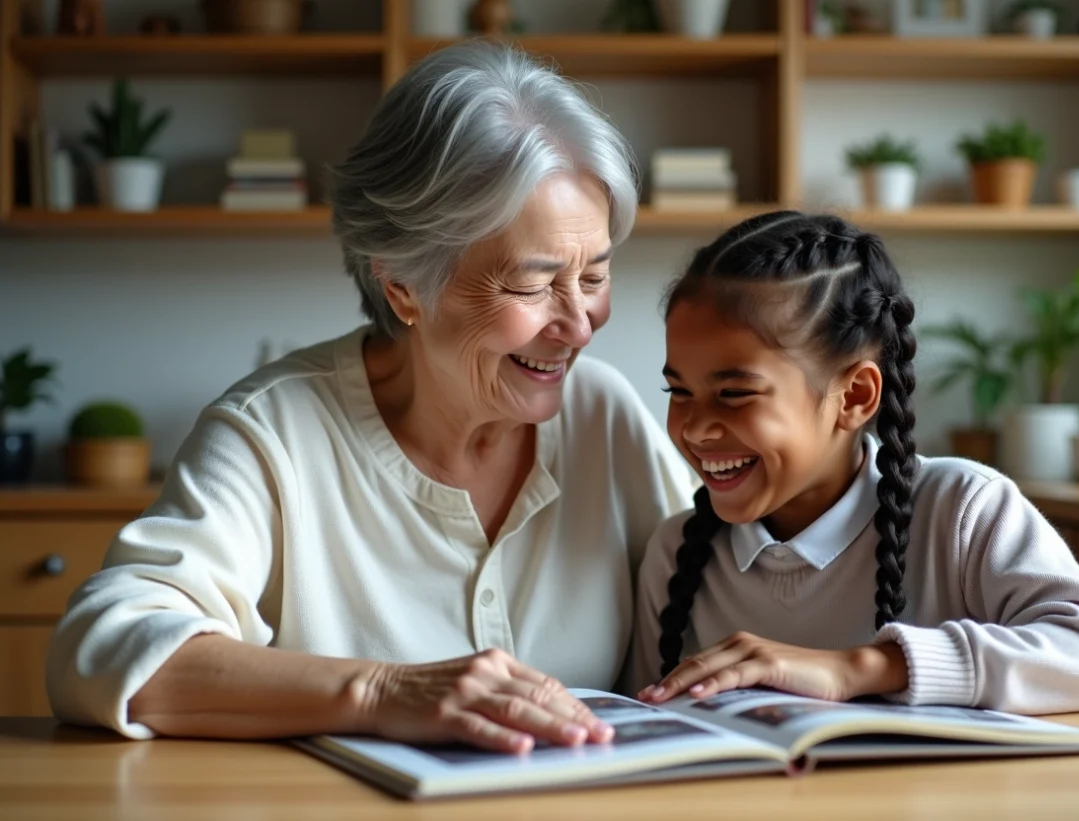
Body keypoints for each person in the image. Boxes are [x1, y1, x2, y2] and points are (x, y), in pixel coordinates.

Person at [46, 41, 695, 754]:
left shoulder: (603, 414)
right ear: (404, 287)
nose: (580, 324)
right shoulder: (276, 432)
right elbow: (100, 648)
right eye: (533, 283)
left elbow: (717, 581)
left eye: (594, 276)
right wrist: (380, 691)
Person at [630, 211, 1079, 715]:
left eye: (734, 394)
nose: (695, 429)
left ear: (855, 396)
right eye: (679, 392)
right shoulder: (676, 554)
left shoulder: (961, 511)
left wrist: (860, 668)